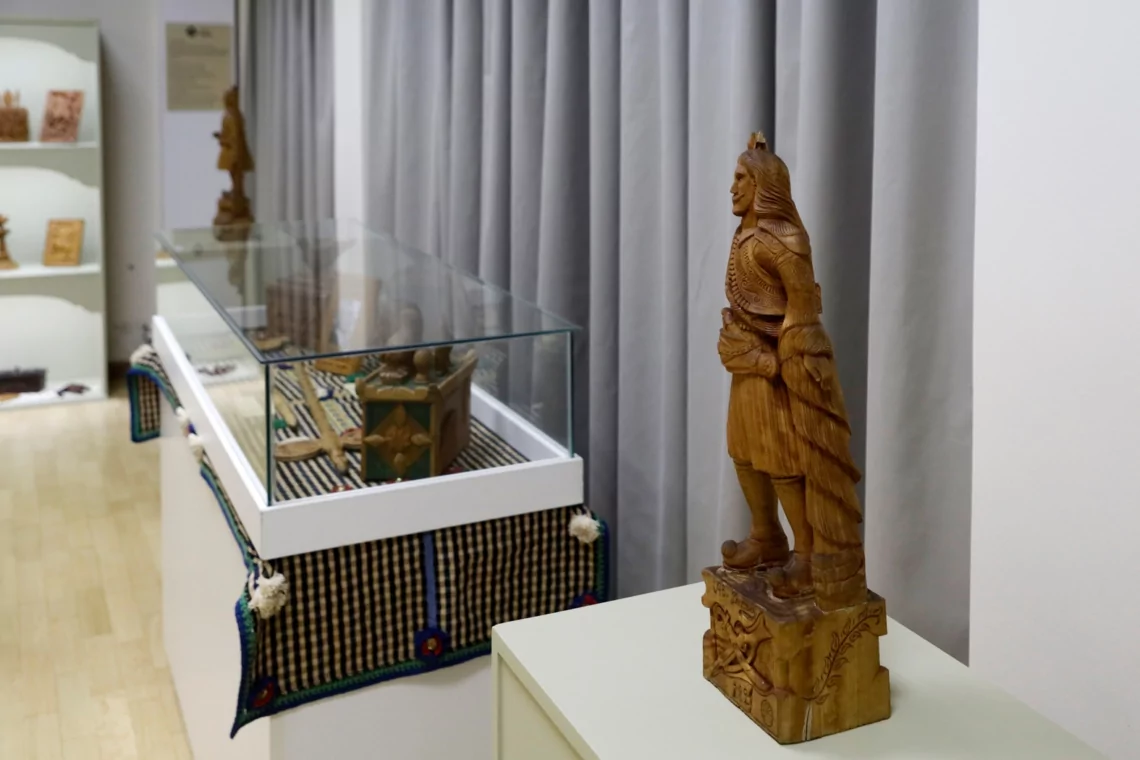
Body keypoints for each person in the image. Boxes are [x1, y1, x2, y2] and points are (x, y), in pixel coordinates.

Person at [718, 132, 866, 612]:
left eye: (741, 178)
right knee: (743, 452)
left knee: (781, 461)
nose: (733, 187)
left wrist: (784, 361)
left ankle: (806, 556)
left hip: (777, 367)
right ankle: (766, 537)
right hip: (746, 361)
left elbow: (802, 313)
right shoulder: (744, 235)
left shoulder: (786, 240)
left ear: (764, 186)